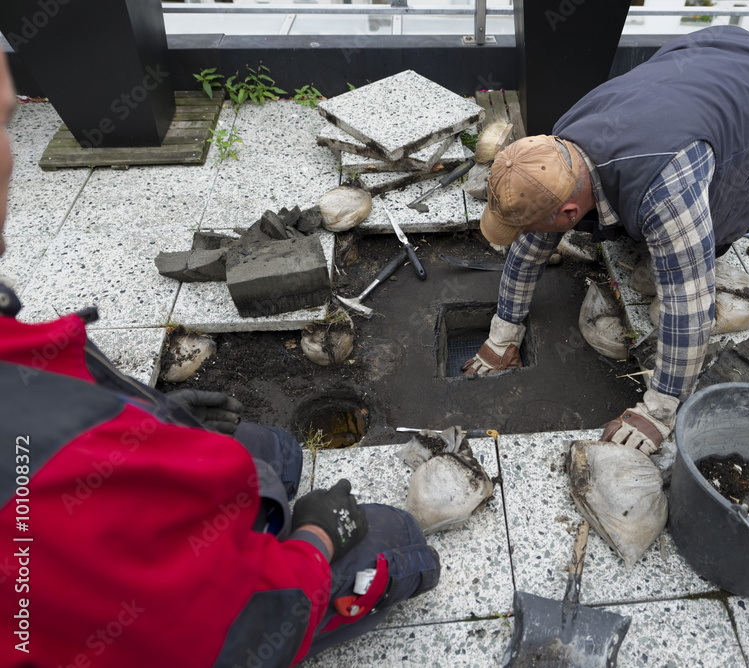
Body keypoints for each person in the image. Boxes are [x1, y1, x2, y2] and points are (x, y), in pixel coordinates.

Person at [0, 50, 439, 667]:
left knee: (277, 453)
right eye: (2, 124)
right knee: (396, 537)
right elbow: (228, 630)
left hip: (103, 541)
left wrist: (147, 415)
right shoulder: (35, 469)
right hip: (174, 625)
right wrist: (315, 540)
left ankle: (261, 526)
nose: (14, 142)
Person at [463, 26, 749, 454]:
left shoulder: (666, 191)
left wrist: (660, 409)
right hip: (703, 51)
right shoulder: (557, 149)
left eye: (538, 225)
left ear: (570, 213)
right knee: (651, 226)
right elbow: (531, 246)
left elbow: (688, 305)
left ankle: (713, 236)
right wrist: (503, 332)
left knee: (719, 222)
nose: (529, 238)